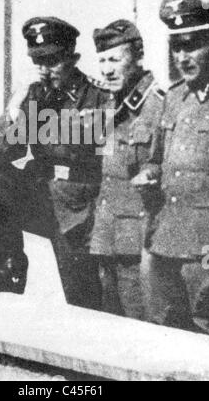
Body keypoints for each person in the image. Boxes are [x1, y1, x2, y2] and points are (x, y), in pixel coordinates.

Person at [133, 0, 209, 329]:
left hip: (208, 253)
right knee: (162, 337)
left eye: (193, 45)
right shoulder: (173, 98)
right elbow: (156, 160)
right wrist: (150, 173)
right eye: (177, 47)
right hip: (164, 245)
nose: (183, 57)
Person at [0, 17, 110, 308]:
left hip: (79, 207)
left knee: (82, 300)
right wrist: (15, 108)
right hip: (41, 197)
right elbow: (1, 152)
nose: (45, 70)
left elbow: (108, 164)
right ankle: (12, 263)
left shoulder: (96, 97)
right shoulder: (36, 96)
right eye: (38, 62)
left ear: (73, 59)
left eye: (52, 61)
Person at [89, 19, 165, 320]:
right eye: (103, 60)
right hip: (106, 235)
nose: (107, 69)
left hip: (138, 240)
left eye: (115, 60)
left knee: (138, 321)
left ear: (138, 57)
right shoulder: (108, 102)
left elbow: (166, 165)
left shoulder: (158, 105)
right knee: (110, 320)